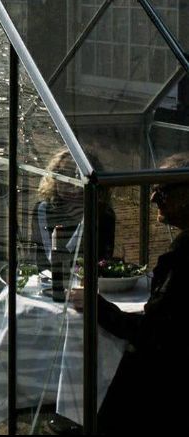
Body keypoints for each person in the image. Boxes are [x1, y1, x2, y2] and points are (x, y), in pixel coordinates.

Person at [71, 153, 189, 434]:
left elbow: (153, 332)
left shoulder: (183, 256)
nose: (153, 198)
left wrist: (97, 307)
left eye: (162, 190)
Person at [30, 149, 116, 271]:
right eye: (62, 174)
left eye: (76, 176)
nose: (69, 183)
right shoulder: (42, 210)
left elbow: (102, 261)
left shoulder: (103, 215)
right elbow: (40, 259)